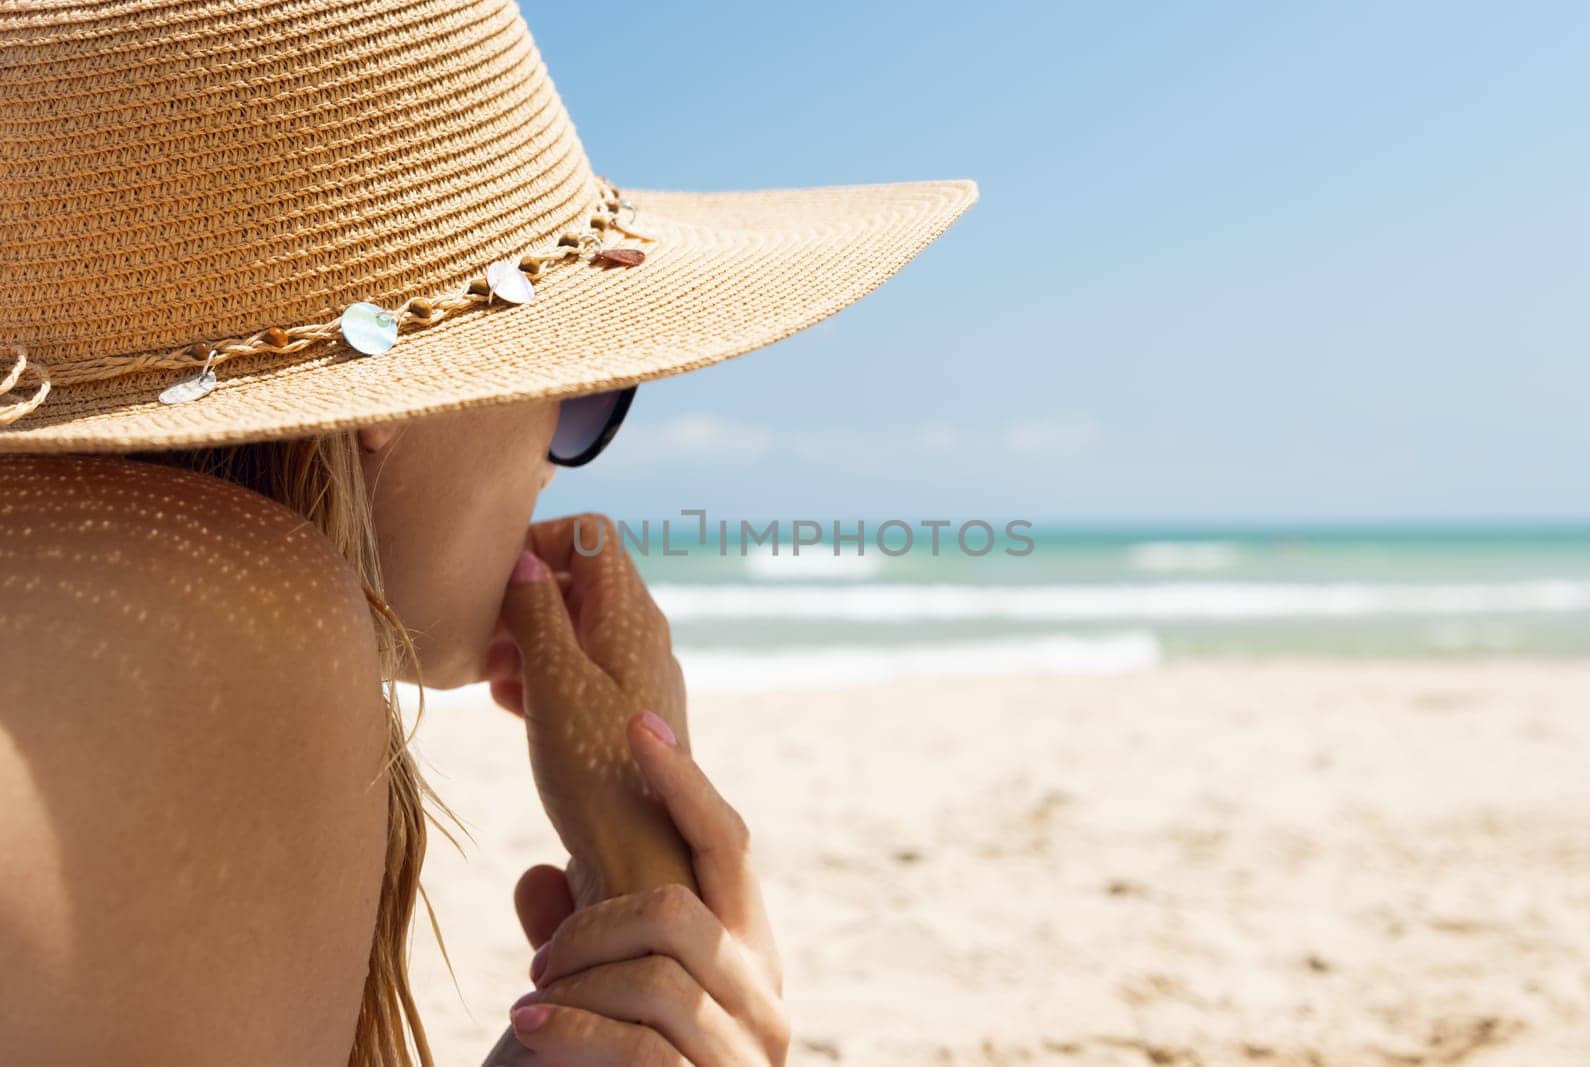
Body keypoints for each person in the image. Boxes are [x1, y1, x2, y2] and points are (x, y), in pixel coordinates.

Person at [0, 2, 975, 1064]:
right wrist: (647, 870)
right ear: (383, 390)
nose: (558, 460)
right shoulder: (217, 614)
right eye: (580, 394)